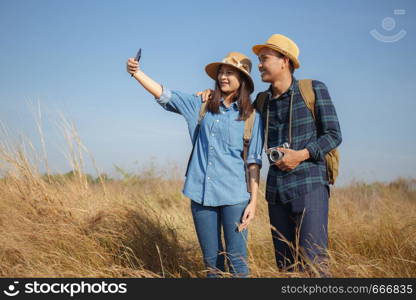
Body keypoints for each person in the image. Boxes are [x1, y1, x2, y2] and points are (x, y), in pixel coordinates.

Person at [199, 34, 342, 276]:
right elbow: (237, 110)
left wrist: (302, 154)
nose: (260, 65)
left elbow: (333, 134)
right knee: (286, 267)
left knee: (314, 265)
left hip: (310, 187)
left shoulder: (313, 89)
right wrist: (213, 95)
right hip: (276, 193)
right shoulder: (262, 101)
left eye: (264, 59)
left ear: (284, 60)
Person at [125, 51, 264, 277]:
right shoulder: (201, 105)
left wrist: (253, 203)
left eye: (230, 73)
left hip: (236, 197)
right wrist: (137, 73)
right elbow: (165, 94)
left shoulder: (251, 117)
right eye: (221, 72)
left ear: (243, 81)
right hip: (201, 194)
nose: (223, 77)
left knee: (238, 263)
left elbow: (253, 162)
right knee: (212, 265)